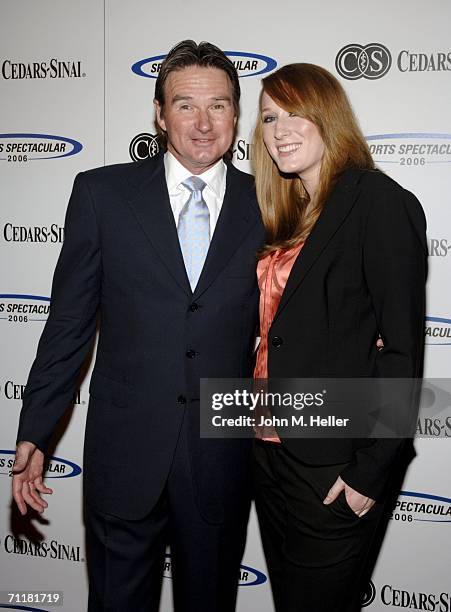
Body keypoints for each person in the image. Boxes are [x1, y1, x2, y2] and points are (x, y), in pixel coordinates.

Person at [12, 40, 265, 612]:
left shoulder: (270, 204)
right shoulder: (103, 195)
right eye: (184, 105)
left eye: (219, 106)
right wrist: (35, 429)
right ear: (159, 113)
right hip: (124, 452)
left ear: (237, 113)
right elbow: (68, 325)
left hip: (221, 454)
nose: (203, 123)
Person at [251, 63, 427, 612]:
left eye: (295, 113)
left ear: (328, 116)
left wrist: (370, 471)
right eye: (268, 117)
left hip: (332, 459)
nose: (279, 129)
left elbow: (402, 351)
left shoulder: (377, 201)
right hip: (266, 451)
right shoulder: (286, 211)